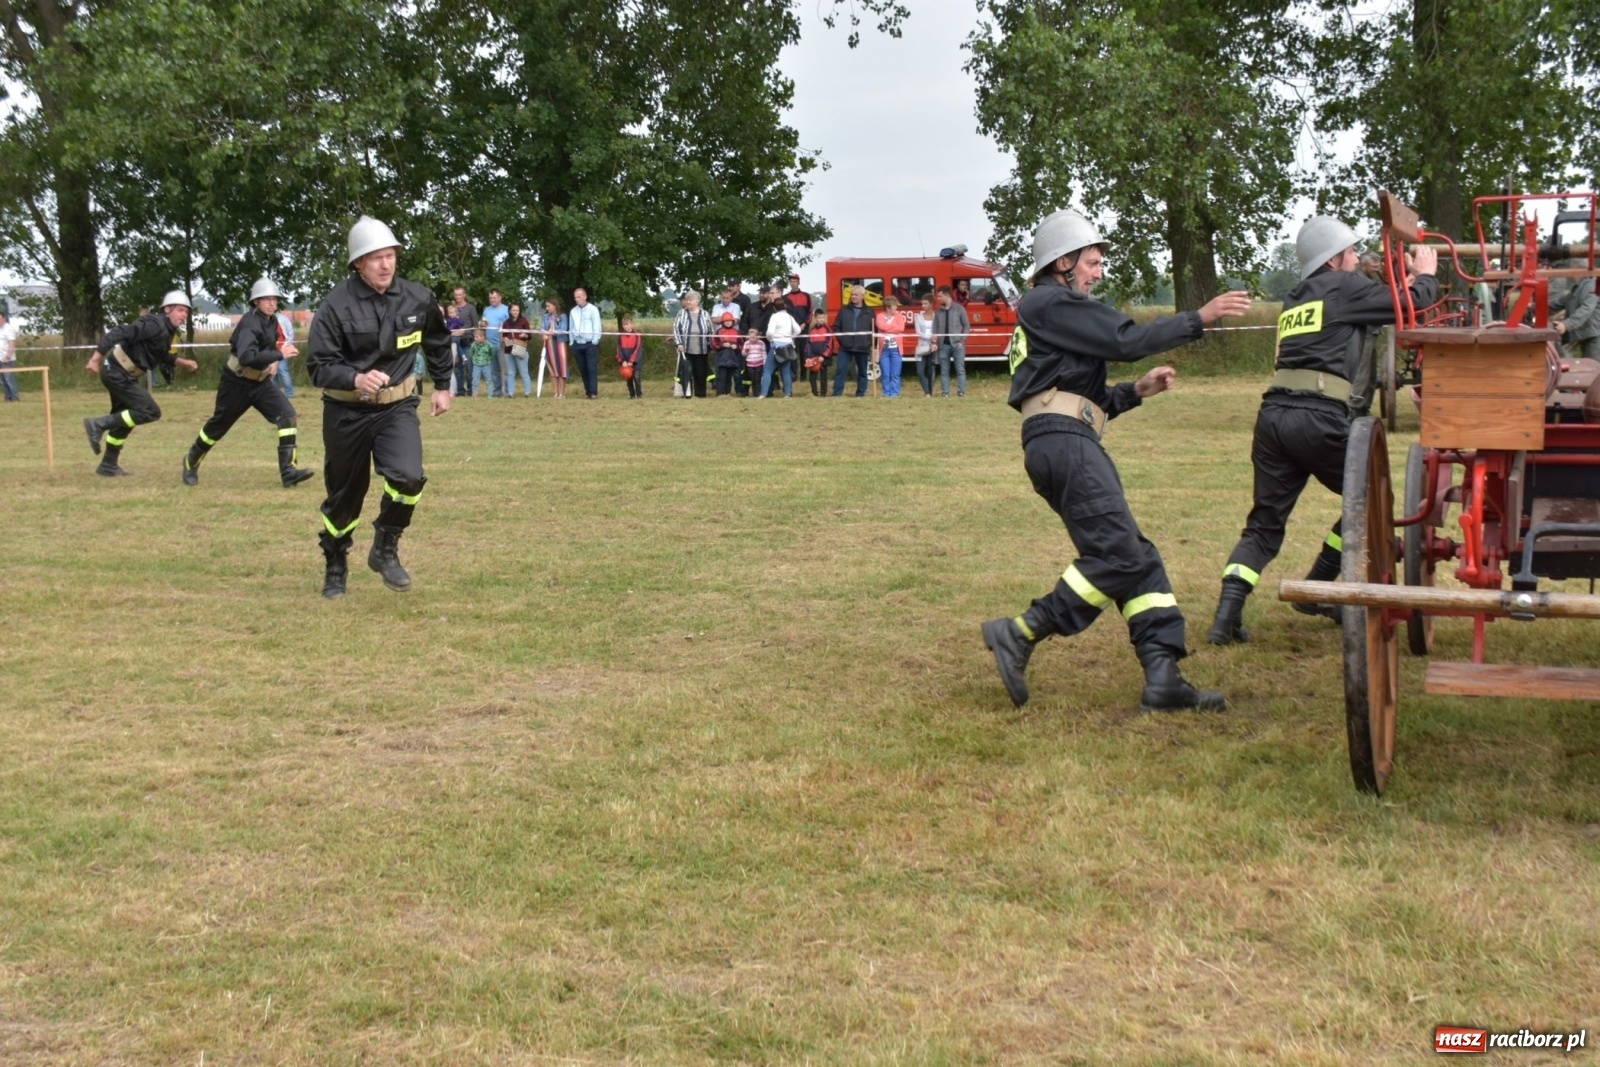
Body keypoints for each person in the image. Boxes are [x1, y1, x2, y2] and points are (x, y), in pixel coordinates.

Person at [981, 210, 1252, 711]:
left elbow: (1076, 392)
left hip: (1063, 438)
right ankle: (1019, 632)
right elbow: (1125, 339)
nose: (1099, 270)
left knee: (1136, 556)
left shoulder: (1051, 309)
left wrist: (1136, 392)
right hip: (1064, 443)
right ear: (1062, 261)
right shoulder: (1049, 300)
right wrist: (1201, 317)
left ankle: (1164, 677)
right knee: (1121, 556)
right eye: (1092, 261)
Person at [1205, 217, 1439, 645]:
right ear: (1333, 259)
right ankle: (1318, 586)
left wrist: (1394, 280)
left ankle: (1226, 617)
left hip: (1273, 417)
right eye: (1351, 253)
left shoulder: (1297, 297)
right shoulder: (1344, 287)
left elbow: (1364, 307)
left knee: (1265, 524)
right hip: (1318, 416)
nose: (1356, 259)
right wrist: (1424, 275)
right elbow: (1410, 304)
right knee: (1370, 499)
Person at [305, 215, 453, 598]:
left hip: (397, 408)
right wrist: (355, 378)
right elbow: (317, 366)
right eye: (376, 258)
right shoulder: (335, 305)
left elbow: (437, 340)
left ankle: (385, 545)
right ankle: (335, 561)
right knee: (344, 500)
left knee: (408, 476)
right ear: (358, 263)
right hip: (346, 413)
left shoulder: (417, 297)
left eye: (390, 256)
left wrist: (442, 385)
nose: (386, 264)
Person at [180, 277, 315, 488]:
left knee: (287, 416)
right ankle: (191, 460)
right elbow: (246, 357)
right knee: (218, 427)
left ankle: (288, 472)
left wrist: (273, 360)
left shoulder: (272, 321)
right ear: (255, 302)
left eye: (274, 299)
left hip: (260, 383)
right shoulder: (250, 323)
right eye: (266, 299)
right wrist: (278, 354)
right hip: (237, 382)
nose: (272, 303)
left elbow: (267, 350)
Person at [82, 292, 199, 477]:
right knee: (149, 411)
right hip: (116, 372)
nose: (184, 315)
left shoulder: (167, 331)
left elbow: (160, 355)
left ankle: (108, 465)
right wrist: (95, 359)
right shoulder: (153, 324)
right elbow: (118, 332)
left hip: (123, 373)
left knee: (125, 420)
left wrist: (183, 363)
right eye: (181, 310)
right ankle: (98, 424)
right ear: (167, 309)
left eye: (186, 312)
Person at [832, 284, 874, 397]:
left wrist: (868, 342)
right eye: (852, 294)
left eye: (856, 294)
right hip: (845, 347)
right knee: (841, 370)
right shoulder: (843, 310)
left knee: (862, 372)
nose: (853, 297)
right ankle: (837, 394)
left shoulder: (870, 312)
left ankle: (861, 394)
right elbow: (836, 327)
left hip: (862, 347)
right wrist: (842, 340)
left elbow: (873, 329)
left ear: (862, 296)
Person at [1552, 261, 1599, 360]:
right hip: (1587, 332)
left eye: (1571, 267)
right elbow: (1561, 302)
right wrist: (1536, 306)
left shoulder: (1591, 284)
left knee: (1594, 366)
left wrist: (1566, 324)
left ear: (1577, 268)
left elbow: (1586, 308)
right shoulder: (1578, 286)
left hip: (1594, 334)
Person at [672, 289, 712, 398]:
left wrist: (710, 345)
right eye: (687, 300)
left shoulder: (705, 314)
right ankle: (687, 393)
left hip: (702, 349)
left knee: (701, 372)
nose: (688, 302)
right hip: (686, 349)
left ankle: (700, 394)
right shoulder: (681, 313)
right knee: (686, 372)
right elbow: (676, 329)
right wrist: (679, 343)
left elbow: (710, 331)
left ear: (697, 301)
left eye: (690, 300)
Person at [933, 286, 971, 398]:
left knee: (960, 369)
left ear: (947, 295)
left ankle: (961, 392)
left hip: (957, 344)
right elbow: (935, 328)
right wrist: (935, 340)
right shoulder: (938, 311)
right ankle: (945, 393)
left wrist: (962, 341)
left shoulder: (960, 309)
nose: (938, 298)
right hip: (943, 345)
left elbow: (966, 326)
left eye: (940, 296)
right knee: (944, 370)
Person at [762, 297, 801, 398]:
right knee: (786, 373)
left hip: (776, 347)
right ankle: (787, 394)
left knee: (767, 371)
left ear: (774, 308)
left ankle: (763, 394)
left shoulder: (774, 316)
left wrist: (769, 337)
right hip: (787, 346)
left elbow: (770, 332)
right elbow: (798, 330)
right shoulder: (789, 317)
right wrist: (790, 336)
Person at [569, 287, 603, 399]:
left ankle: (593, 392)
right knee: (583, 369)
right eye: (575, 297)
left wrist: (595, 341)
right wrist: (571, 342)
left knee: (591, 368)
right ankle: (588, 391)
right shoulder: (573, 311)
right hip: (577, 344)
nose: (577, 299)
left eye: (579, 297)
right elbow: (571, 327)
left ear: (585, 296)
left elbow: (597, 326)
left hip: (590, 343)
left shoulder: (593, 309)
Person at [874, 295, 906, 398]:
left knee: (895, 373)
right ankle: (886, 393)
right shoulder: (879, 316)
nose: (896, 308)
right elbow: (881, 326)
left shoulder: (899, 316)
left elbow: (901, 328)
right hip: (884, 350)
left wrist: (888, 329)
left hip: (896, 349)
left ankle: (895, 393)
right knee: (886, 373)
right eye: (894, 306)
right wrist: (893, 327)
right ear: (888, 307)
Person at [481, 289, 510, 397]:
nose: (492, 300)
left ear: (500, 297)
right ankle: (496, 391)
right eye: (490, 298)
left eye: (494, 297)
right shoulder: (486, 310)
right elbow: (482, 324)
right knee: (493, 370)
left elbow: (510, 325)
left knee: (505, 369)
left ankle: (507, 391)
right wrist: (482, 324)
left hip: (503, 344)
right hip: (489, 344)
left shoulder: (506, 309)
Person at [541, 298, 570, 400]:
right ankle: (555, 393)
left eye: (549, 306)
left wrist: (552, 332)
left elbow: (563, 329)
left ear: (554, 306)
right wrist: (545, 333)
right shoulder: (545, 316)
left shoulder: (563, 316)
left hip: (560, 342)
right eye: (546, 306)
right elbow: (542, 328)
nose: (547, 308)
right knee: (552, 369)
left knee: (562, 368)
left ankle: (562, 393)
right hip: (549, 343)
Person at [502, 302, 534, 396]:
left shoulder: (523, 321)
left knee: (523, 372)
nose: (515, 312)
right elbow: (503, 336)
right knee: (510, 372)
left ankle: (527, 392)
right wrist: (505, 339)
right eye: (514, 310)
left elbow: (530, 335)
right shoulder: (506, 323)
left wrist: (525, 335)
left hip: (520, 347)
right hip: (508, 350)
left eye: (517, 310)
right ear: (510, 311)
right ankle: (510, 393)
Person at [451, 286, 477, 396]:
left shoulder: (470, 308)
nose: (458, 297)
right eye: (456, 295)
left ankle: (471, 390)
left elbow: (475, 325)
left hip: (467, 342)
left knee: (470, 368)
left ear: (464, 295)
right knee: (458, 369)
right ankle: (460, 391)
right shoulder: (452, 309)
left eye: (460, 294)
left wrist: (464, 332)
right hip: (455, 342)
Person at [712, 311, 744, 396]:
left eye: (730, 321)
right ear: (722, 322)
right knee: (721, 375)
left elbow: (742, 344)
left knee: (734, 375)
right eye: (726, 321)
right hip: (721, 357)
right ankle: (720, 393)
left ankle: (731, 392)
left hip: (734, 357)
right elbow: (714, 343)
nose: (728, 322)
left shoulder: (737, 332)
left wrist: (736, 346)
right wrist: (722, 345)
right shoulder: (718, 331)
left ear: (733, 321)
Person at [804, 312, 832, 397]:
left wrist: (824, 356)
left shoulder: (827, 329)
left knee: (823, 376)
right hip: (813, 357)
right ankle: (814, 393)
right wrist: (808, 356)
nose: (821, 319)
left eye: (823, 318)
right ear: (815, 318)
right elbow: (808, 344)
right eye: (819, 318)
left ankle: (823, 393)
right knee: (812, 376)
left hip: (823, 357)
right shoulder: (812, 330)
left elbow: (830, 344)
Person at [913, 294, 937, 397]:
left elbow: (938, 331)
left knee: (930, 371)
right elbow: (918, 332)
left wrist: (934, 341)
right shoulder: (918, 317)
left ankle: (929, 393)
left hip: (933, 347)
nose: (923, 305)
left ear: (931, 304)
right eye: (922, 303)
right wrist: (929, 337)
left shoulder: (936, 317)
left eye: (925, 303)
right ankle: (927, 392)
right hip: (922, 347)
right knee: (920, 371)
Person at [616, 314, 644, 398]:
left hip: (636, 361)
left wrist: (632, 361)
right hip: (625, 360)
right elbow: (619, 349)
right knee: (628, 378)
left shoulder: (637, 335)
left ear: (632, 324)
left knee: (636, 377)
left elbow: (637, 349)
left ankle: (639, 394)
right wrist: (622, 361)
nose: (625, 326)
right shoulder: (621, 336)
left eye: (627, 324)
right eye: (624, 324)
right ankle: (632, 395)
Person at [274, 309, 298, 397]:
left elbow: (289, 333)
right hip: (271, 349)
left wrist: (286, 345)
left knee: (282, 370)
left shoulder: (282, 318)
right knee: (273, 372)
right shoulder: (283, 318)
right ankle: (275, 393)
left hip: (281, 348)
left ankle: (289, 393)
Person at [468, 323, 496, 397]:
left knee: (489, 380)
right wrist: (474, 358)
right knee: (475, 380)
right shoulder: (473, 345)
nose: (475, 338)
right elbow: (471, 352)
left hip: (486, 365)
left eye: (477, 337)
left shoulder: (489, 345)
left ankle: (490, 394)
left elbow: (492, 353)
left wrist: (489, 359)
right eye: (475, 337)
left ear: (482, 337)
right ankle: (475, 394)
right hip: (476, 365)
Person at [742, 328, 767, 397]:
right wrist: (746, 351)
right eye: (750, 337)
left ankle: (758, 393)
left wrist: (764, 362)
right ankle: (754, 393)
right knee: (753, 380)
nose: (752, 339)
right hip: (750, 364)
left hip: (759, 364)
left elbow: (764, 353)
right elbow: (743, 354)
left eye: (754, 337)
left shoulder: (761, 343)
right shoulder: (746, 343)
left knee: (758, 380)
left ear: (757, 336)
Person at [0, 309, 18, 401]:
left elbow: (12, 344)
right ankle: (7, 397)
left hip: (7, 359)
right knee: (2, 380)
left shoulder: (9, 329)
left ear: (4, 318)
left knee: (9, 378)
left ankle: (14, 396)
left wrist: (8, 356)